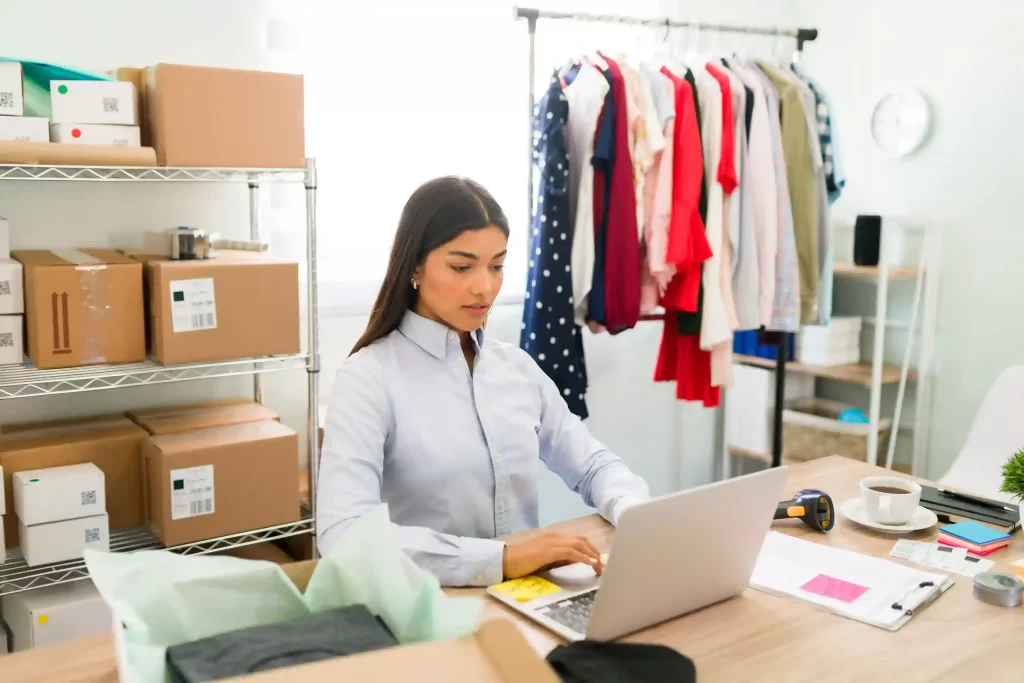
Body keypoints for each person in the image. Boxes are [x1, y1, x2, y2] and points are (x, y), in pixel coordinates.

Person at [317, 176, 650, 587]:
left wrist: (633, 511)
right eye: (461, 267)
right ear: (415, 266)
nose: (485, 287)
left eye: (496, 266)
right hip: (430, 604)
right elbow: (342, 533)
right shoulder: (368, 379)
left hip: (528, 598)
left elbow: (591, 464)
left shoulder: (516, 368)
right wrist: (500, 559)